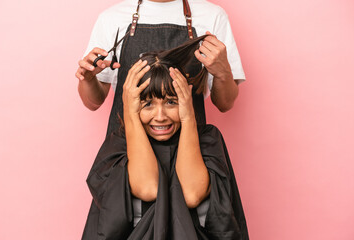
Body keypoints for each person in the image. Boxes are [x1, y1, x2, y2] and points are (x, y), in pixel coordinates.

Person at [82, 36, 248, 239]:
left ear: (185, 99)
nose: (160, 117)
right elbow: (149, 189)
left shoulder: (208, 139)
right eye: (148, 104)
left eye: (171, 102)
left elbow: (191, 194)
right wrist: (130, 111)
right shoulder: (118, 144)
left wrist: (188, 117)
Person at [76, 0, 246, 136]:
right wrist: (89, 79)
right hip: (125, 152)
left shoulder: (212, 16)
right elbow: (93, 102)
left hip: (189, 155)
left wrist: (223, 72)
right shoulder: (111, 18)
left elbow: (225, 103)